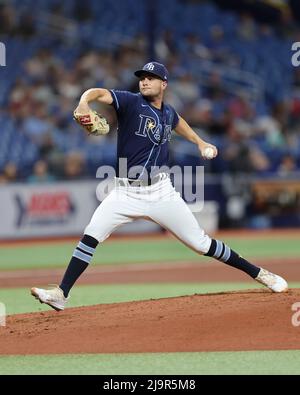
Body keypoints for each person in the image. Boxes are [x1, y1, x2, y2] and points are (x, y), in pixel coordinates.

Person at [31, 61, 288, 311]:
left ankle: (259, 273)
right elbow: (99, 92)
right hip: (124, 191)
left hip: (161, 191)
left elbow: (179, 123)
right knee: (90, 235)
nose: (144, 81)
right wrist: (84, 101)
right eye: (142, 77)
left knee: (201, 244)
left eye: (150, 78)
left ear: (163, 84)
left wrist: (200, 142)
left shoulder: (168, 112)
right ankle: (61, 294)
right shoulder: (130, 102)